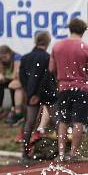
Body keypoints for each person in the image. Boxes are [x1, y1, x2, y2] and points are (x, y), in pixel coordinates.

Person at [49, 17, 88, 161]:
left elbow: (51, 68)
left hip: (63, 87)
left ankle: (62, 153)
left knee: (63, 120)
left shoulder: (57, 46)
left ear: (70, 29)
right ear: (83, 31)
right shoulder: (86, 48)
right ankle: (74, 153)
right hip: (81, 88)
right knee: (78, 121)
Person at [19, 31, 58, 160]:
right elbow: (46, 77)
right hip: (47, 92)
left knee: (30, 122)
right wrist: (38, 94)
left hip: (32, 94)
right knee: (57, 121)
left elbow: (23, 77)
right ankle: (61, 150)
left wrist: (30, 93)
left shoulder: (25, 58)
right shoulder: (47, 57)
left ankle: (25, 151)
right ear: (47, 42)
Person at [0, 45, 23, 124]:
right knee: (0, 83)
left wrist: (5, 77)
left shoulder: (17, 57)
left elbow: (14, 75)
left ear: (10, 53)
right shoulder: (2, 60)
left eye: (5, 57)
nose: (3, 59)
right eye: (1, 58)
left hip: (22, 80)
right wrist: (0, 76)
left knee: (12, 85)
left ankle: (13, 109)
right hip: (14, 79)